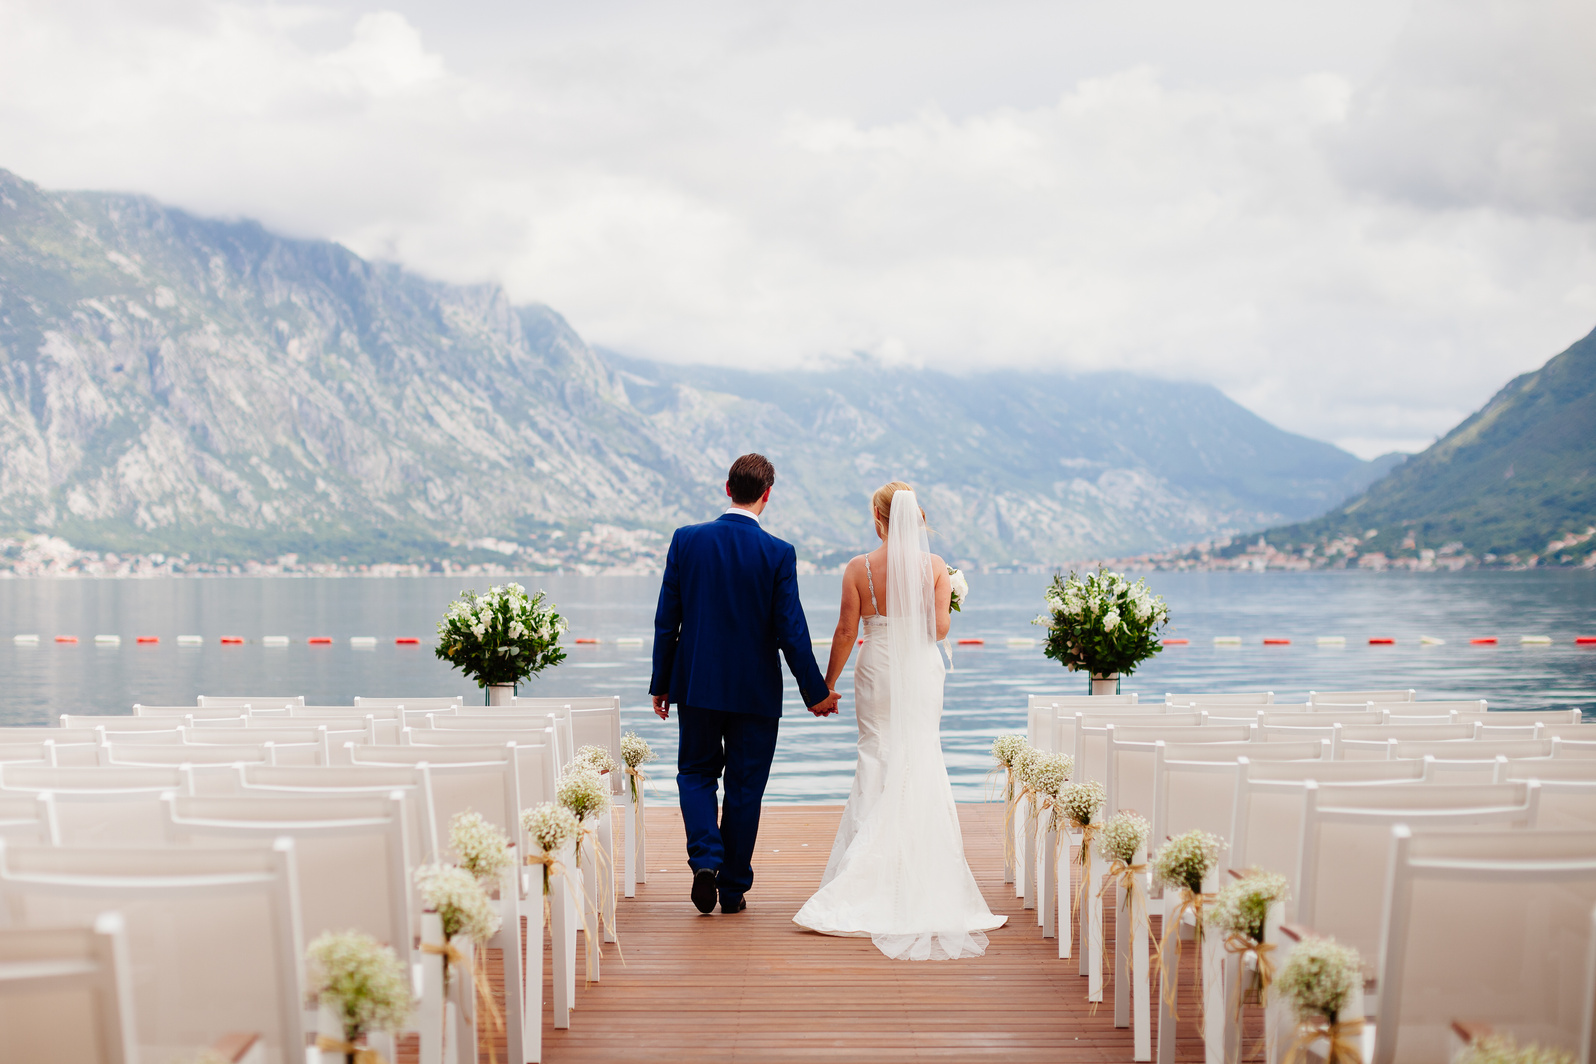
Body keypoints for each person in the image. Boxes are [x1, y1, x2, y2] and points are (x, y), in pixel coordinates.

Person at [792, 482, 1005, 959]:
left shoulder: (858, 568)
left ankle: (863, 874)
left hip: (877, 666)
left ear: (878, 516)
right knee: (921, 754)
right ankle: (921, 875)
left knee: (876, 754)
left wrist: (825, 686)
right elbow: (940, 628)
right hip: (920, 668)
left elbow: (847, 630)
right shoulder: (934, 568)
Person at [650, 453, 841, 915]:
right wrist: (816, 693)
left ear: (727, 488)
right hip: (755, 692)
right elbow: (791, 630)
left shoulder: (686, 541)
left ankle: (705, 861)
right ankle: (732, 887)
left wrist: (662, 682)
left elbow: (666, 621)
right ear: (767, 495)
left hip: (695, 684)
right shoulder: (778, 552)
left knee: (695, 774)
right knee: (745, 787)